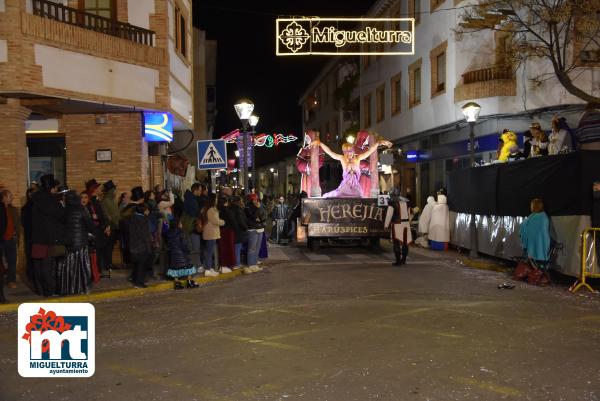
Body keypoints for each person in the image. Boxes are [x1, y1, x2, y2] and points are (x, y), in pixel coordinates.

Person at [310, 137, 392, 198]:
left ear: (353, 151)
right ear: (343, 152)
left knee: (359, 197)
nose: (349, 154)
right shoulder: (342, 159)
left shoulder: (358, 158)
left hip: (356, 187)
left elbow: (370, 151)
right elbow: (330, 152)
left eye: (350, 151)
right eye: (346, 152)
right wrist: (320, 143)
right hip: (345, 187)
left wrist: (379, 143)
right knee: (336, 196)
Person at [31, 174, 65, 297]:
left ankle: (40, 290)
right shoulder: (51, 200)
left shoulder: (35, 199)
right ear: (51, 188)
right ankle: (48, 291)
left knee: (38, 266)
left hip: (36, 237)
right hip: (49, 238)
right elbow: (61, 215)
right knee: (47, 266)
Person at [57, 191, 95, 295]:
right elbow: (90, 225)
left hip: (68, 243)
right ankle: (82, 287)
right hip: (81, 243)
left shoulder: (64, 211)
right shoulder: (82, 209)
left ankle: (69, 288)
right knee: (82, 267)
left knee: (69, 267)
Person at [165, 217, 199, 290]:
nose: (181, 224)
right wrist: (188, 250)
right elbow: (184, 244)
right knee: (188, 267)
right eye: (180, 223)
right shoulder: (181, 232)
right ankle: (189, 281)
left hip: (174, 254)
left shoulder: (169, 233)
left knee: (175, 268)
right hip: (182, 253)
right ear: (178, 224)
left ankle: (177, 283)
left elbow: (168, 244)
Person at [85, 179, 110, 275]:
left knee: (99, 251)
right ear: (94, 189)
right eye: (97, 187)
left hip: (100, 229)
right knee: (96, 252)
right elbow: (96, 215)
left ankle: (98, 270)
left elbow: (103, 215)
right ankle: (96, 272)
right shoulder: (91, 201)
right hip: (96, 230)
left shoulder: (96, 199)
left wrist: (107, 225)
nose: (100, 189)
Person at [127, 204, 153, 288]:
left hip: (134, 245)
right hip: (142, 246)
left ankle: (135, 279)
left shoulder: (133, 218)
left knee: (137, 264)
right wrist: (149, 247)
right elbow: (145, 235)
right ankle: (139, 282)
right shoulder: (143, 220)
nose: (148, 211)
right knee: (142, 264)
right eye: (147, 210)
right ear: (144, 211)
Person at [519, 198, 551, 268]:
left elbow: (538, 232)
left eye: (531, 205)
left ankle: (536, 272)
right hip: (537, 243)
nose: (530, 206)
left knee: (530, 260)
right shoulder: (538, 216)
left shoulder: (538, 217)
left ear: (535, 206)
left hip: (535, 244)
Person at [385, 188, 413, 266]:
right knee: (405, 243)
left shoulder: (392, 203)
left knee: (396, 243)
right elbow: (409, 214)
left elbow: (389, 215)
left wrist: (386, 225)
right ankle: (403, 260)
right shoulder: (406, 202)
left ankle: (398, 261)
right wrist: (409, 223)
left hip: (397, 224)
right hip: (406, 224)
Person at [200, 193, 224, 276]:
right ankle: (208, 269)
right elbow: (215, 221)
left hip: (210, 232)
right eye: (216, 198)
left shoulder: (208, 209)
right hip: (211, 232)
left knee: (209, 251)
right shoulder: (210, 209)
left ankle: (209, 268)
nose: (217, 200)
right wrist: (223, 222)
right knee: (209, 252)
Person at [0, 189, 20, 288]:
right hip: (1, 240)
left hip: (11, 239)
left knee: (12, 260)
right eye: (10, 196)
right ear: (4, 197)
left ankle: (11, 280)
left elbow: (17, 224)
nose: (12, 198)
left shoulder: (13, 209)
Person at [100, 180, 119, 275]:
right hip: (109, 227)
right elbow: (107, 215)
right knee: (108, 247)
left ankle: (109, 263)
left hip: (114, 227)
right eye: (114, 190)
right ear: (111, 190)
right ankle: (107, 264)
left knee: (110, 247)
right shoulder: (106, 201)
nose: (115, 191)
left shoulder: (112, 200)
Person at [244, 193, 266, 273]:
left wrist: (259, 209)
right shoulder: (248, 207)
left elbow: (264, 216)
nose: (255, 201)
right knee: (252, 248)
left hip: (260, 228)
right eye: (253, 199)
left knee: (257, 247)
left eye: (256, 199)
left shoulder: (260, 205)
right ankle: (251, 264)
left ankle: (254, 263)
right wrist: (257, 209)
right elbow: (252, 216)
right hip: (252, 229)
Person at [182, 183, 203, 267]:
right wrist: (200, 213)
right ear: (196, 190)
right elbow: (194, 213)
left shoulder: (189, 198)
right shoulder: (192, 200)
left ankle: (193, 264)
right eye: (200, 190)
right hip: (192, 226)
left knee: (192, 246)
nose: (201, 192)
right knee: (195, 247)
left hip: (188, 226)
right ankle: (196, 265)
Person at [217, 196, 237, 270]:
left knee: (222, 248)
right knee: (229, 248)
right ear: (226, 202)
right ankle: (227, 265)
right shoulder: (227, 211)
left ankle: (222, 264)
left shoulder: (218, 211)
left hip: (221, 231)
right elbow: (233, 221)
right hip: (228, 231)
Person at [21, 188, 36, 283]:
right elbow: (24, 223)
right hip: (31, 236)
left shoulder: (36, 207)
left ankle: (33, 275)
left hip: (33, 236)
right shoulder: (26, 208)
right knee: (31, 257)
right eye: (30, 194)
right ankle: (31, 275)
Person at [229, 196, 249, 269]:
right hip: (238, 231)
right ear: (238, 202)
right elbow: (241, 221)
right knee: (237, 247)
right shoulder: (238, 210)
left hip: (234, 231)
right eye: (241, 201)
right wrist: (246, 228)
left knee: (235, 247)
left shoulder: (231, 208)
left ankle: (236, 262)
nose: (242, 202)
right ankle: (236, 263)